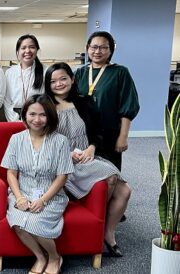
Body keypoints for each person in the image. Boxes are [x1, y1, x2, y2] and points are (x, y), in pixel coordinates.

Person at [45, 62, 132, 257]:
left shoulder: (85, 102)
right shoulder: (44, 105)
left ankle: (107, 232)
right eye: (53, 81)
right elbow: (40, 139)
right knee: (110, 180)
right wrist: (66, 154)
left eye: (63, 79)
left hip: (86, 156)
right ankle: (97, 227)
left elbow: (97, 131)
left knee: (125, 190)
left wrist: (92, 147)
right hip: (60, 161)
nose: (59, 84)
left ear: (72, 79)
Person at [1, 94, 73, 274]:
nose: (37, 119)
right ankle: (40, 257)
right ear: (25, 114)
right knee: (18, 221)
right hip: (22, 192)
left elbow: (62, 176)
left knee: (36, 222)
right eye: (32, 114)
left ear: (50, 116)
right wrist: (19, 197)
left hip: (51, 195)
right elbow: (10, 172)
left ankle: (55, 257)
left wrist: (43, 200)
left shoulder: (61, 141)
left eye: (42, 115)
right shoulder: (16, 139)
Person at [74, 31, 140, 170]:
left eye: (103, 47)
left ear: (111, 50)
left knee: (110, 173)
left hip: (109, 132)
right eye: (94, 47)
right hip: (84, 132)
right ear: (87, 48)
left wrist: (123, 136)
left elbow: (128, 106)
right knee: (84, 173)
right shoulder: (80, 73)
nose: (98, 51)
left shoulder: (120, 72)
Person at [4, 34, 46, 121]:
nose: (27, 51)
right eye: (23, 48)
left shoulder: (45, 71)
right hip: (14, 120)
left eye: (32, 47)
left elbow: (48, 100)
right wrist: (14, 121)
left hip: (38, 120)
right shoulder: (9, 72)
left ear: (37, 50)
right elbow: (7, 101)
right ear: (17, 51)